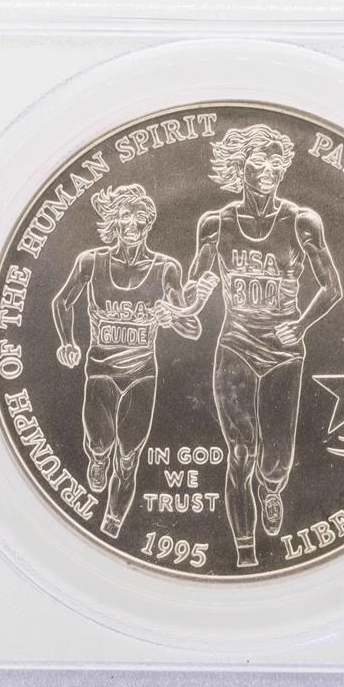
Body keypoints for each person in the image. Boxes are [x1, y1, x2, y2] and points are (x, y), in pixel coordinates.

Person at [183, 124, 343, 568]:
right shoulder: (215, 225)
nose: (270, 169)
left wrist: (301, 325)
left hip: (283, 351)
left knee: (275, 462)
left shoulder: (302, 222)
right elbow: (197, 285)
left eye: (277, 161)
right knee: (240, 452)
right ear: (241, 167)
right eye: (260, 160)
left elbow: (332, 288)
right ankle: (245, 550)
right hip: (234, 344)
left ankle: (272, 489)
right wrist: (190, 301)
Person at [52, 183, 216, 538]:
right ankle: (97, 459)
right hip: (100, 371)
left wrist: (176, 313)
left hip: (142, 374)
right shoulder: (91, 262)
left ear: (148, 222)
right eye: (125, 216)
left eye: (139, 217)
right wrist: (67, 342)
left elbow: (192, 328)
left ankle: (112, 523)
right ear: (114, 221)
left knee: (128, 457)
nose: (132, 224)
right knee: (101, 443)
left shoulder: (166, 268)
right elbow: (62, 302)